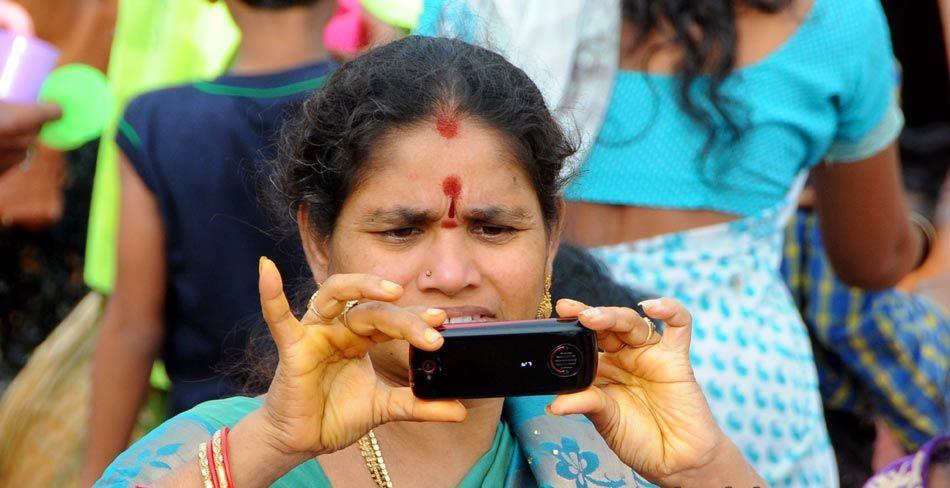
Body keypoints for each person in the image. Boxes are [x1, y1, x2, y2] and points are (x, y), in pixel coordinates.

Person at [96, 35, 767, 488]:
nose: (450, 273)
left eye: (496, 228)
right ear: (319, 242)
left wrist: (702, 465)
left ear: (552, 234)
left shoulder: (602, 453)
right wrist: (269, 445)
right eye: (399, 231)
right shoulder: (217, 455)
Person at [549, 0, 933, 485]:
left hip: (553, 363)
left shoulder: (507, 12)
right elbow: (873, 260)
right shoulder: (835, 21)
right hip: (739, 395)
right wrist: (924, 237)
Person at [79, 0, 336, 484]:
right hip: (346, 443)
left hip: (203, 450)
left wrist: (95, 474)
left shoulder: (155, 122)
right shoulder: (370, 110)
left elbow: (133, 327)